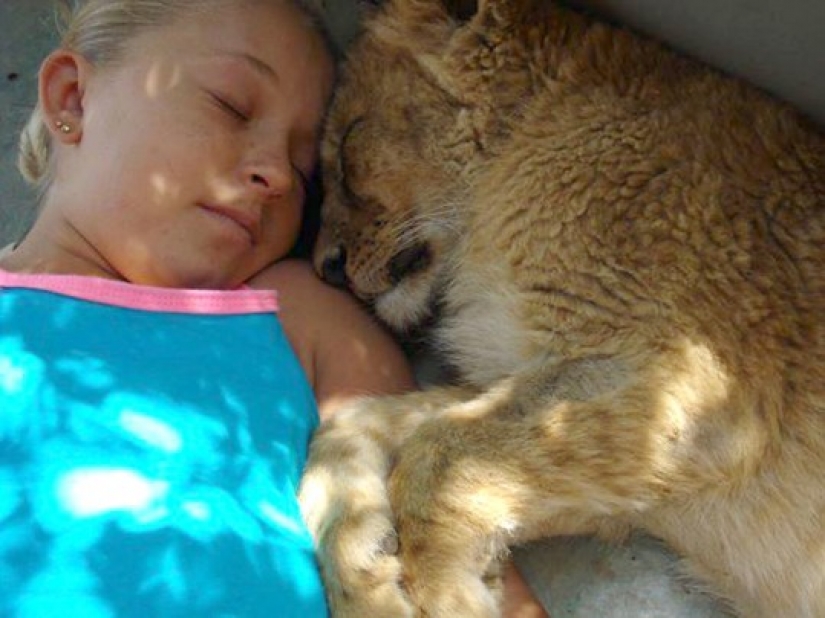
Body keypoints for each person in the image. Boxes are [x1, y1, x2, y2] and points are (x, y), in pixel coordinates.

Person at [0, 0, 548, 616]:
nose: (281, 179)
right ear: (73, 98)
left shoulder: (295, 316)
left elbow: (460, 568)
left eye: (304, 170)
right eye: (231, 106)